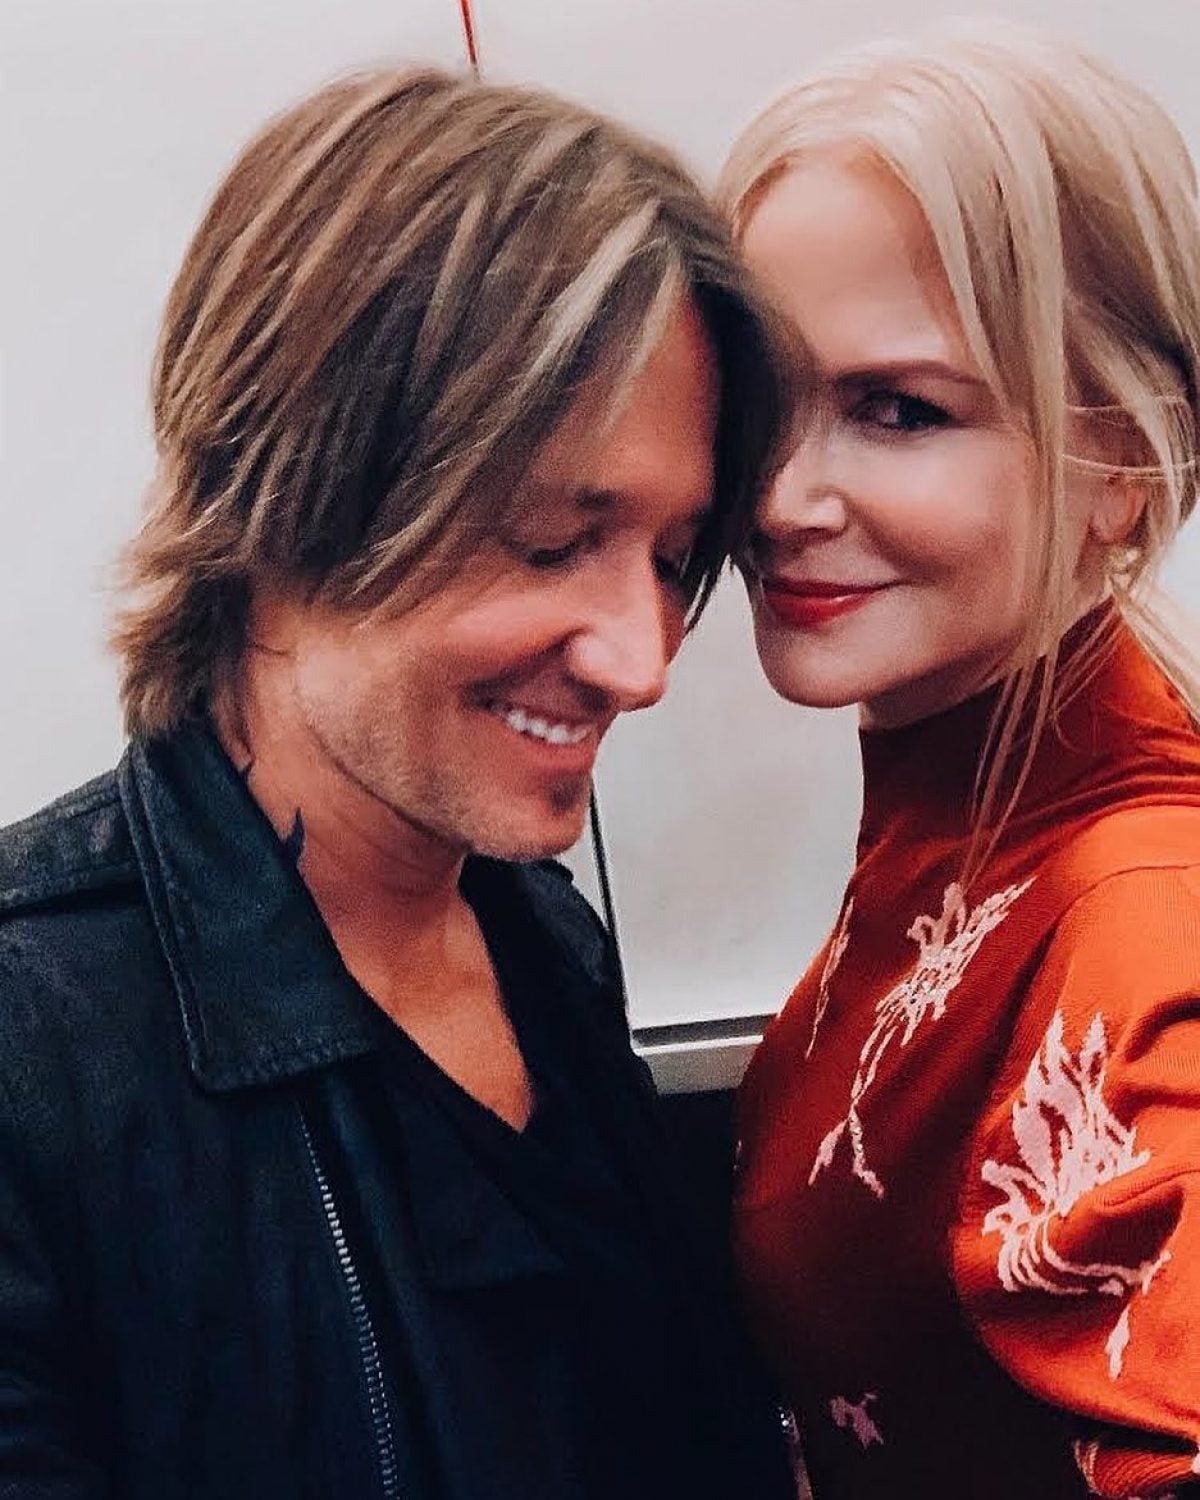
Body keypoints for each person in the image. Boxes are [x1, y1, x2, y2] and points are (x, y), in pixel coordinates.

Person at [0, 66, 798, 1499]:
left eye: (674, 559)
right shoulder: (34, 1050)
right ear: (282, 486)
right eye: (551, 540)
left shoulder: (539, 936)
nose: (642, 663)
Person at [718, 21, 1200, 1500]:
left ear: (1126, 467)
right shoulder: (969, 821)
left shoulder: (1143, 913)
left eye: (898, 410)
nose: (778, 498)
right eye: (755, 404)